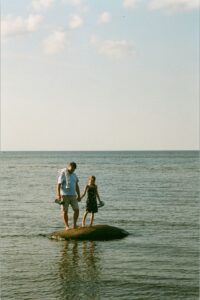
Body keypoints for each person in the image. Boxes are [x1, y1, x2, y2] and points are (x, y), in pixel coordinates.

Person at [56, 162, 81, 230]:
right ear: (68, 166)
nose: (72, 170)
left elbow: (76, 186)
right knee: (65, 211)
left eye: (74, 169)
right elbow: (58, 185)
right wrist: (58, 195)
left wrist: (79, 195)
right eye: (72, 168)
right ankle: (67, 226)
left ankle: (74, 225)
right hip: (64, 195)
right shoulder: (63, 174)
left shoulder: (74, 175)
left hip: (73, 195)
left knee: (76, 210)